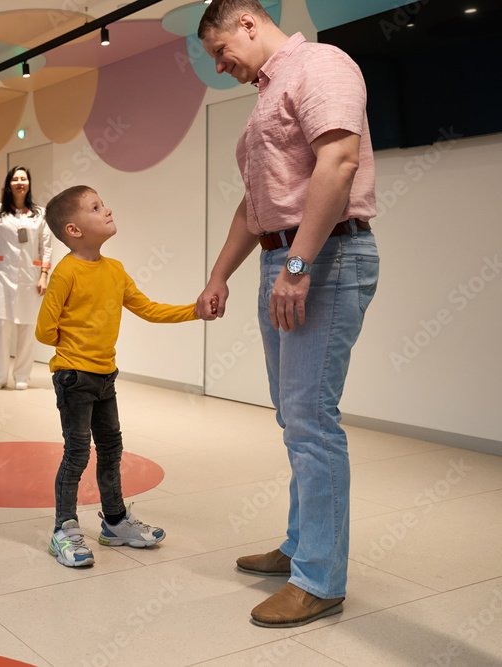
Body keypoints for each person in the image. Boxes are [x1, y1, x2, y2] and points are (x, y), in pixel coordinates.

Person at [196, 0, 380, 627]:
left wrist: (299, 266)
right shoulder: (266, 97)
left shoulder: (321, 65)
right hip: (284, 259)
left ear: (247, 22)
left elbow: (340, 162)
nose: (221, 67)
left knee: (311, 421)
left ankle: (321, 580)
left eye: (221, 52)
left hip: (323, 258)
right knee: (294, 417)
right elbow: (256, 207)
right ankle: (304, 545)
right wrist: (220, 274)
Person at [36, 185, 206, 567]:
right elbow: (44, 331)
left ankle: (113, 522)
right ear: (74, 230)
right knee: (77, 452)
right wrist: (75, 347)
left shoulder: (115, 270)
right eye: (96, 207)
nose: (107, 210)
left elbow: (148, 309)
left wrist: (195, 311)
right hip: (74, 377)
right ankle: (63, 528)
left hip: (104, 376)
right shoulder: (66, 272)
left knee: (111, 449)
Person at [0, 166, 53, 390]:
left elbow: (46, 247)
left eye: (23, 178)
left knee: (27, 328)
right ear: (9, 184)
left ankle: (22, 375)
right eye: (15, 179)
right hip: (2, 275)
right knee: (1, 326)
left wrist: (43, 276)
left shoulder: (40, 213)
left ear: (29, 183)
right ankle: (0, 375)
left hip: (30, 278)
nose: (20, 182)